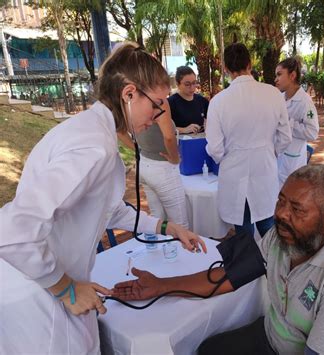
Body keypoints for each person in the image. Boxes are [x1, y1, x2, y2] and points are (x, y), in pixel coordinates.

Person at [0, 43, 206, 354]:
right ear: (129, 93)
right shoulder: (93, 147)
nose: (159, 114)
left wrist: (167, 228)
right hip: (39, 294)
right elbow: (13, 233)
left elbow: (107, 212)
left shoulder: (92, 133)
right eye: (157, 104)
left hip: (50, 282)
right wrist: (66, 288)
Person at [112, 165, 324, 355]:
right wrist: (161, 285)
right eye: (281, 201)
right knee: (207, 350)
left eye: (296, 209)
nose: (281, 214)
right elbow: (230, 275)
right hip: (273, 338)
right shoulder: (283, 237)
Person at [205, 43, 292, 238]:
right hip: (265, 169)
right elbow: (285, 137)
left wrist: (231, 156)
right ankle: (275, 266)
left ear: (226, 68)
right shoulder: (273, 94)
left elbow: (215, 148)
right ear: (250, 64)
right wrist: (269, 150)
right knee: (269, 225)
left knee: (243, 230)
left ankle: (249, 266)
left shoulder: (218, 102)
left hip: (234, 173)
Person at [118, 99, 189, 229]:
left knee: (158, 220)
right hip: (162, 168)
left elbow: (119, 129)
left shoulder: (129, 102)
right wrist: (174, 158)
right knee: (180, 225)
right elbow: (169, 137)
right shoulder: (157, 101)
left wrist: (137, 149)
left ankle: (161, 248)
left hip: (145, 163)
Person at [275, 57, 319, 186]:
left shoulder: (305, 102)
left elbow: (312, 133)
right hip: (278, 160)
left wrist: (289, 123)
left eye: (279, 74)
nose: (275, 79)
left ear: (292, 75)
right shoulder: (279, 98)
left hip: (292, 164)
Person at [168, 66, 209, 134]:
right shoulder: (170, 103)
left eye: (194, 83)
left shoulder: (202, 101)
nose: (192, 87)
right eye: (187, 84)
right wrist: (184, 130)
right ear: (178, 84)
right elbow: (163, 129)